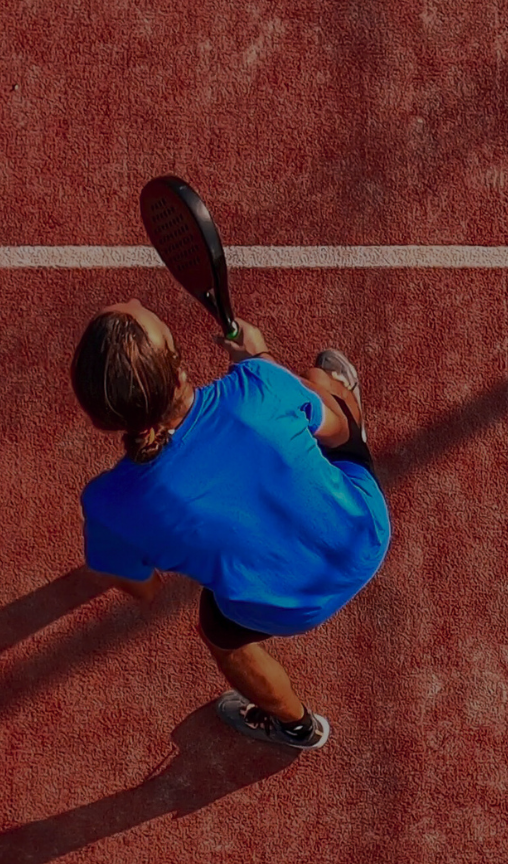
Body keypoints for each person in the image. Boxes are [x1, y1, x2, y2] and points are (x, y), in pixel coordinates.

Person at [69, 299, 391, 751]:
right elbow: (336, 431)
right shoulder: (259, 387)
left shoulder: (107, 505)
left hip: (287, 610)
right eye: (142, 310)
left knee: (223, 638)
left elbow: (145, 589)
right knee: (326, 398)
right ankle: (340, 389)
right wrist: (260, 360)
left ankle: (298, 728)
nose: (136, 301)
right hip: (365, 534)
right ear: (180, 374)